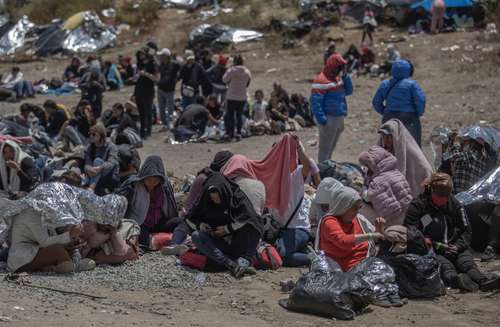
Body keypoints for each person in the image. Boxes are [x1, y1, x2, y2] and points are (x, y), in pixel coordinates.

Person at [404, 173, 500, 292]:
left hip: (454, 246)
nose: (442, 202)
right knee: (445, 267)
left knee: (467, 263)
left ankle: (483, 281)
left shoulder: (456, 205)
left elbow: (466, 230)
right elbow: (411, 230)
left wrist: (458, 246)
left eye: (445, 199)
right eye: (438, 198)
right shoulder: (418, 205)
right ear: (431, 190)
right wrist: (435, 245)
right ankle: (457, 282)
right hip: (431, 249)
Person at [2, 183, 127, 273]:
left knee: (63, 248)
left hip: (34, 251)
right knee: (58, 250)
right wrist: (70, 235)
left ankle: (64, 265)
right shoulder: (31, 213)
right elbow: (44, 241)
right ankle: (71, 266)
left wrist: (70, 241)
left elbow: (52, 236)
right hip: (21, 258)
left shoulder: (43, 212)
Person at [187, 172, 264, 278]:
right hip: (220, 246)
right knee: (196, 235)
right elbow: (189, 218)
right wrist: (202, 225)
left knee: (251, 226)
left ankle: (242, 262)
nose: (216, 201)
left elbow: (252, 221)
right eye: (213, 199)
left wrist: (227, 229)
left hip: (239, 243)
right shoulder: (206, 201)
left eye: (218, 198)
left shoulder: (237, 198)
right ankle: (230, 264)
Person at [315, 185, 383, 272]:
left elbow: (376, 239)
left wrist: (379, 228)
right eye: (354, 208)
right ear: (344, 207)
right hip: (343, 269)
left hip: (365, 262)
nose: (357, 211)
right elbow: (343, 241)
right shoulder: (329, 221)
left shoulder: (359, 219)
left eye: (359, 208)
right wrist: (370, 236)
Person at [118, 155, 180, 249]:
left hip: (158, 222)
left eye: (156, 180)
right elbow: (119, 204)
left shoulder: (164, 186)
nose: (152, 182)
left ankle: (172, 242)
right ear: (143, 176)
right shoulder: (133, 185)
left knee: (180, 222)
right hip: (140, 224)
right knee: (145, 240)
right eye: (149, 179)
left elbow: (171, 206)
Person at [274, 137, 314, 267]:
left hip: (298, 228)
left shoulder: (295, 174)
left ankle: (316, 259)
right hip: (282, 228)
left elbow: (307, 166)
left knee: (282, 256)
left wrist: (298, 148)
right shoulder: (272, 176)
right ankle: (304, 250)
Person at [373, 59, 426, 146]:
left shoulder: (385, 84)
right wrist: (418, 113)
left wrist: (384, 112)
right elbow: (421, 100)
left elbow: (376, 102)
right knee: (413, 146)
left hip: (389, 117)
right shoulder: (412, 84)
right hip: (409, 117)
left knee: (390, 145)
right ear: (409, 70)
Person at [311, 54, 353, 163]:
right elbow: (315, 102)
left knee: (331, 147)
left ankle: (327, 166)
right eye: (338, 67)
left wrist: (345, 76)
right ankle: (322, 170)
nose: (339, 70)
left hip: (339, 117)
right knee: (324, 149)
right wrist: (322, 120)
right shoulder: (321, 80)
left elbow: (349, 91)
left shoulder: (338, 78)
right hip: (328, 118)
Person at [358, 145, 413, 226]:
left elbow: (368, 197)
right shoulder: (397, 173)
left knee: (360, 206)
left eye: (367, 166)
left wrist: (362, 188)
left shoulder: (376, 182)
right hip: (409, 213)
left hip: (391, 220)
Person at [378, 119, 432, 197]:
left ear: (396, 136)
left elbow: (425, 170)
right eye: (383, 136)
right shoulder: (384, 150)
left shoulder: (411, 153)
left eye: (389, 136)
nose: (386, 140)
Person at [83, 124, 119, 195]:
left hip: (109, 175)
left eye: (94, 134)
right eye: (90, 134)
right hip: (94, 173)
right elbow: (87, 162)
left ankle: (91, 188)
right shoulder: (90, 147)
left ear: (101, 136)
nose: (91, 136)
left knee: (97, 161)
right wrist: (89, 168)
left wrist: (100, 168)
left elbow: (111, 163)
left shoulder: (111, 147)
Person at [223, 55, 251, 141]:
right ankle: (238, 133)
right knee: (239, 115)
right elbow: (248, 81)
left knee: (230, 115)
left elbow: (224, 79)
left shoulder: (231, 70)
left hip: (231, 96)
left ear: (234, 61)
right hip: (242, 97)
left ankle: (230, 133)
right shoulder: (246, 71)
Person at [134, 47, 160, 138]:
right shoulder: (139, 64)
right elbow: (135, 78)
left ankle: (148, 131)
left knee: (148, 111)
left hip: (148, 90)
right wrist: (137, 75)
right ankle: (142, 131)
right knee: (140, 112)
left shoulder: (152, 64)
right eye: (139, 54)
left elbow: (156, 78)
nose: (141, 56)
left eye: (142, 54)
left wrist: (146, 74)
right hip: (139, 90)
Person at [157, 48, 180, 130]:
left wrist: (177, 79)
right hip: (160, 89)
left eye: (162, 56)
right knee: (161, 108)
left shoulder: (175, 65)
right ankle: (164, 124)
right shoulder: (160, 65)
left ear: (166, 56)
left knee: (170, 107)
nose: (160, 58)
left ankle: (170, 123)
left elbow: (182, 69)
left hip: (170, 90)